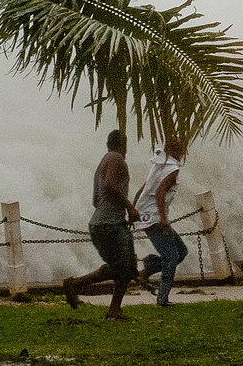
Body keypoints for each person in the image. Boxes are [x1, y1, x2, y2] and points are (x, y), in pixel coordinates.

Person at [63, 129, 141, 319]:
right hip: (110, 224)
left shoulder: (102, 162)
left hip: (101, 222)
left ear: (107, 144)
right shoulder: (116, 158)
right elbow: (108, 186)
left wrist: (117, 210)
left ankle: (114, 309)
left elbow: (96, 200)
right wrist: (129, 207)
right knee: (124, 267)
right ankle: (75, 284)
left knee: (127, 266)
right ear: (124, 145)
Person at [133, 138, 189, 307]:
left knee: (181, 251)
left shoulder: (158, 164)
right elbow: (159, 193)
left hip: (147, 215)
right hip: (155, 218)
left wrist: (135, 209)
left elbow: (143, 189)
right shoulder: (172, 169)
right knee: (171, 257)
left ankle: (148, 268)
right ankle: (162, 299)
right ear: (180, 152)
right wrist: (163, 217)